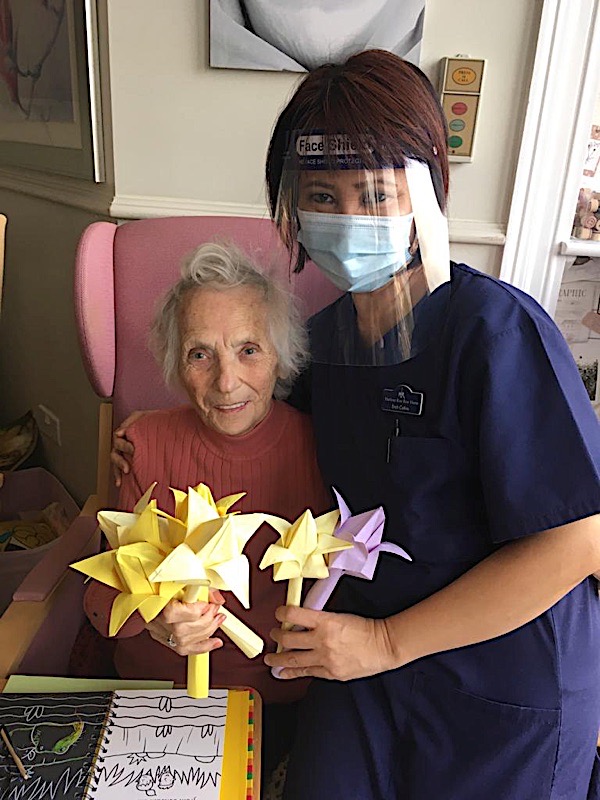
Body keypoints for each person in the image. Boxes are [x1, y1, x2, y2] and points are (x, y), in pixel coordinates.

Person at [112, 52, 600, 799]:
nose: (348, 219)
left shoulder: (496, 332)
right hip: (360, 664)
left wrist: (386, 643)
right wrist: (154, 430)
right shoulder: (324, 347)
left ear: (427, 193)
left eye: (375, 193)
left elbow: (577, 542)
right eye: (322, 196)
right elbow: (244, 412)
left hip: (500, 672)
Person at [84, 241, 331, 788]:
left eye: (249, 349)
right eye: (200, 354)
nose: (225, 381)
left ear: (282, 355)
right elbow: (98, 602)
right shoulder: (145, 444)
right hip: (155, 700)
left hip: (275, 702)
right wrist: (148, 619)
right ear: (176, 362)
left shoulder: (322, 448)